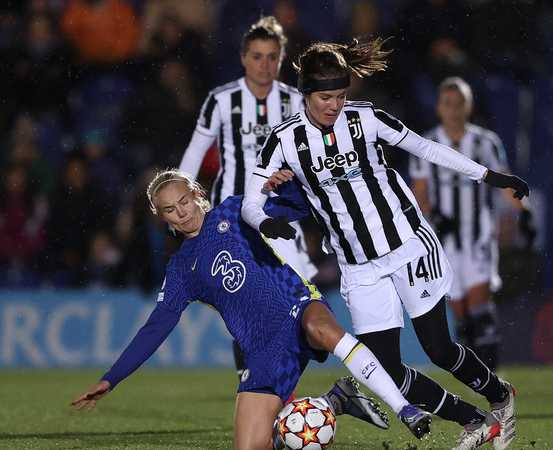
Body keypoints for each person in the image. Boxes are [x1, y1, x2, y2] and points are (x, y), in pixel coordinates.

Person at [241, 38, 527, 450]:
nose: (334, 105)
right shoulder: (284, 140)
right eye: (325, 97)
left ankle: (500, 396)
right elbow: (251, 202)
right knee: (385, 369)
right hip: (358, 266)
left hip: (407, 245)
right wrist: (267, 221)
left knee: (438, 349)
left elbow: (424, 146)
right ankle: (475, 421)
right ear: (305, 94)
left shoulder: (365, 118)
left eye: (340, 95)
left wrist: (488, 176)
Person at [71, 170, 431, 450]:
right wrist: (111, 378)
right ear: (161, 217)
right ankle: (336, 400)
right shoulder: (182, 270)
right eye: (170, 209)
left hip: (298, 307)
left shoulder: (233, 211)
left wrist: (285, 185)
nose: (181, 212)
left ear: (197, 194)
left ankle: (406, 409)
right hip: (262, 351)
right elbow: (156, 327)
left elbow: (297, 207)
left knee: (322, 330)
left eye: (184, 201)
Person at [178, 16, 317, 380]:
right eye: (257, 56)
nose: (264, 65)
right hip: (233, 218)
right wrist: (181, 204)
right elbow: (194, 156)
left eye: (272, 57)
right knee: (248, 302)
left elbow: (309, 159)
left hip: (281, 218)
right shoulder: (222, 100)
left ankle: (283, 379)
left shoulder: (293, 102)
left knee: (300, 303)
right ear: (243, 57)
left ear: (282, 58)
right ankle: (254, 383)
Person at [410, 76, 535, 368]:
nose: (453, 110)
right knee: (461, 317)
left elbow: (505, 184)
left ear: (469, 106)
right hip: (443, 240)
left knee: (481, 310)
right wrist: (434, 218)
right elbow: (420, 192)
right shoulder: (425, 144)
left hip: (478, 235)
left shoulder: (485, 142)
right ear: (439, 108)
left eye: (459, 103)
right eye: (447, 103)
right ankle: (479, 379)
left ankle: (493, 381)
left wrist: (525, 213)